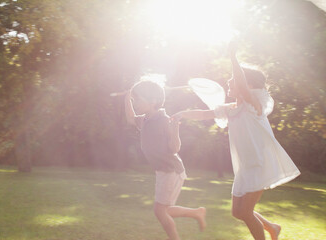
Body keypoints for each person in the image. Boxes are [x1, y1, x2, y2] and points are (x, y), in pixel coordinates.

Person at [172, 43, 300, 240]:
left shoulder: (253, 105)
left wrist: (233, 57)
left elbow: (239, 80)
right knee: (238, 213)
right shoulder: (231, 108)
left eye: (233, 79)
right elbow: (204, 113)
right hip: (245, 167)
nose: (229, 82)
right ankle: (272, 227)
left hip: (259, 164)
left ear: (247, 85)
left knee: (246, 213)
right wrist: (182, 114)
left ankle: (268, 234)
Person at [125, 77, 206, 240]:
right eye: (134, 100)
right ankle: (197, 213)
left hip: (171, 170)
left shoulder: (163, 120)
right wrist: (127, 98)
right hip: (162, 171)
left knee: (160, 211)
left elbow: (174, 148)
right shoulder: (145, 119)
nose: (135, 103)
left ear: (153, 100)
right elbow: (130, 119)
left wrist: (175, 128)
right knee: (165, 209)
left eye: (137, 100)